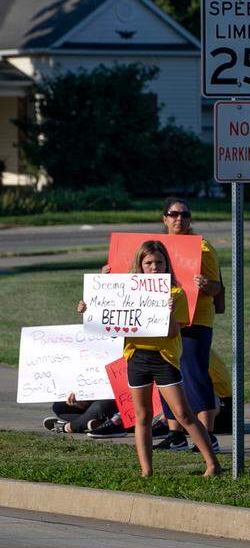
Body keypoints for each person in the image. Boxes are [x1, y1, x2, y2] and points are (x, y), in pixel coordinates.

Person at [80, 241, 220, 477]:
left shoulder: (176, 293)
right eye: (149, 263)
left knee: (183, 413)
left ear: (166, 264)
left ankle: (212, 464)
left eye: (159, 262)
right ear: (140, 265)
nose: (154, 267)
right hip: (136, 357)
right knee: (142, 416)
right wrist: (89, 309)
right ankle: (146, 471)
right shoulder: (128, 292)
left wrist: (169, 311)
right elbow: (111, 326)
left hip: (164, 358)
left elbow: (173, 332)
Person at [150, 198, 223, 453]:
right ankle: (175, 434)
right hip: (163, 319)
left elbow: (218, 287)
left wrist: (206, 285)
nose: (179, 219)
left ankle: (208, 435)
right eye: (173, 214)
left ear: (190, 219)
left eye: (184, 215)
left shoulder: (202, 247)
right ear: (164, 219)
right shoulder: (156, 248)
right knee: (167, 374)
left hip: (195, 319)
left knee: (195, 374)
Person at [42, 393, 117, 434]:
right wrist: (81, 403)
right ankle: (98, 423)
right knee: (59, 407)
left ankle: (66, 427)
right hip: (100, 398)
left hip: (118, 405)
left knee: (100, 406)